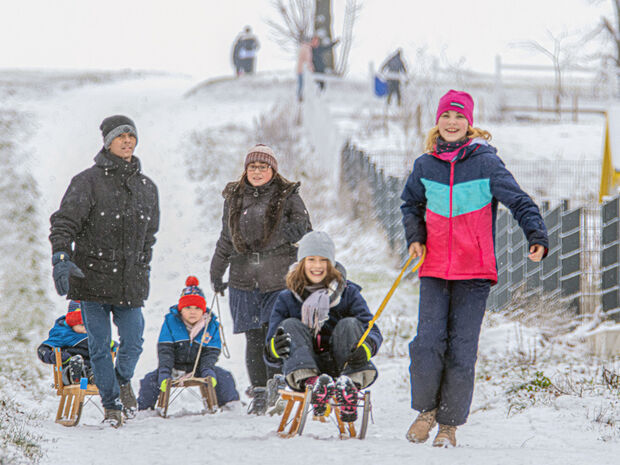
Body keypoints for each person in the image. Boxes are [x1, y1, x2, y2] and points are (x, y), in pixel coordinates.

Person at [400, 90, 548, 447]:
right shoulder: (425, 165)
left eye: (459, 117)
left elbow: (519, 200)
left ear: (469, 124)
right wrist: (415, 238)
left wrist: (537, 234)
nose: (452, 123)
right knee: (426, 343)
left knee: (462, 348)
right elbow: (410, 204)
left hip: (475, 271)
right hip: (434, 268)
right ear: (438, 122)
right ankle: (426, 412)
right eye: (446, 117)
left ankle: (449, 425)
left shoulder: (486, 163)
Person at [49, 115, 160, 428]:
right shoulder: (87, 182)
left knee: (134, 340)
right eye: (120, 136)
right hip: (91, 278)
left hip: (130, 281)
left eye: (131, 136)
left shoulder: (146, 187)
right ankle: (111, 406)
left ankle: (121, 380)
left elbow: (150, 234)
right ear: (107, 142)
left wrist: (142, 264)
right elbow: (63, 222)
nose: (127, 141)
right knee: (99, 346)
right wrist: (60, 256)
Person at [210, 144, 312, 415]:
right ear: (246, 170)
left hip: (277, 279)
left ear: (272, 170)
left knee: (274, 335)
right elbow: (225, 238)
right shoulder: (234, 196)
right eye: (252, 167)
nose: (257, 172)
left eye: (263, 167)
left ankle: (277, 386)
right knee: (253, 338)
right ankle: (259, 392)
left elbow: (304, 227)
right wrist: (216, 272)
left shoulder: (287, 195)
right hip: (242, 279)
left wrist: (275, 235)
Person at [265, 231, 383, 422]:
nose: (317, 266)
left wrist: (367, 348)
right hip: (303, 366)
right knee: (289, 325)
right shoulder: (287, 298)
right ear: (302, 262)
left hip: (343, 363)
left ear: (332, 263)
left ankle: (348, 389)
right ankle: (315, 386)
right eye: (311, 259)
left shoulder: (348, 293)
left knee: (350, 323)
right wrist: (275, 348)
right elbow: (269, 348)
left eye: (323, 260)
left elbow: (373, 330)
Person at [137, 276, 240, 411]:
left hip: (199, 368)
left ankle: (229, 405)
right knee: (150, 380)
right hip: (174, 367)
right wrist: (165, 372)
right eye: (188, 308)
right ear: (181, 310)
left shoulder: (211, 325)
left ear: (203, 310)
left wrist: (206, 369)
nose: (192, 311)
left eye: (197, 308)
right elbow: (165, 351)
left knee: (224, 377)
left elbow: (211, 352)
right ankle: (145, 409)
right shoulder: (170, 323)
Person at [37, 300, 92, 385]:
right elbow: (42, 350)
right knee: (73, 366)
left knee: (97, 368)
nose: (85, 328)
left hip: (90, 366)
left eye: (87, 325)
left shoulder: (92, 335)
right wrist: (55, 356)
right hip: (68, 366)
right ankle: (76, 377)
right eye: (82, 325)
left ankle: (92, 377)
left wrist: (112, 345)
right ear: (72, 323)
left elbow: (106, 343)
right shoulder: (62, 333)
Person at [296, 37, 314, 102]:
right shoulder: (307, 49)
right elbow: (307, 60)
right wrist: (311, 68)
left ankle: (299, 96)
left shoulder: (302, 47)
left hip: (299, 68)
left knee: (300, 83)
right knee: (303, 83)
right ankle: (301, 97)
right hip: (303, 69)